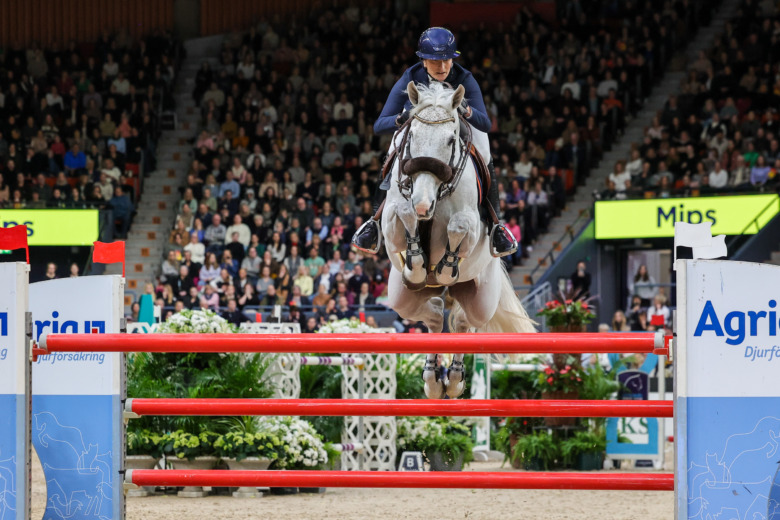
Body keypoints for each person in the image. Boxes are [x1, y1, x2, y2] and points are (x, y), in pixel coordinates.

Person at [350, 27, 517, 258]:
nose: (442, 67)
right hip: (422, 134)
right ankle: (374, 222)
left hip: (456, 130)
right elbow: (379, 125)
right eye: (434, 61)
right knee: (394, 144)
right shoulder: (410, 76)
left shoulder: (464, 78)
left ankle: (496, 223)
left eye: (446, 60)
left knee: (484, 144)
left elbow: (486, 123)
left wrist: (465, 109)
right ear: (423, 61)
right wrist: (402, 117)